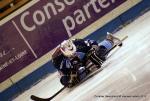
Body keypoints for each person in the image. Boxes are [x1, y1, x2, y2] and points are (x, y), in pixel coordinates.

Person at [52, 32, 122, 87]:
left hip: (84, 58)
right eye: (70, 55)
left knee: (98, 55)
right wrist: (70, 79)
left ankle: (110, 39)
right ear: (64, 53)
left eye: (74, 53)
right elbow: (63, 76)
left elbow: (93, 42)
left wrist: (95, 50)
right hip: (70, 70)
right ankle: (83, 71)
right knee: (69, 82)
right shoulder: (58, 60)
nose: (73, 55)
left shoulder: (78, 43)